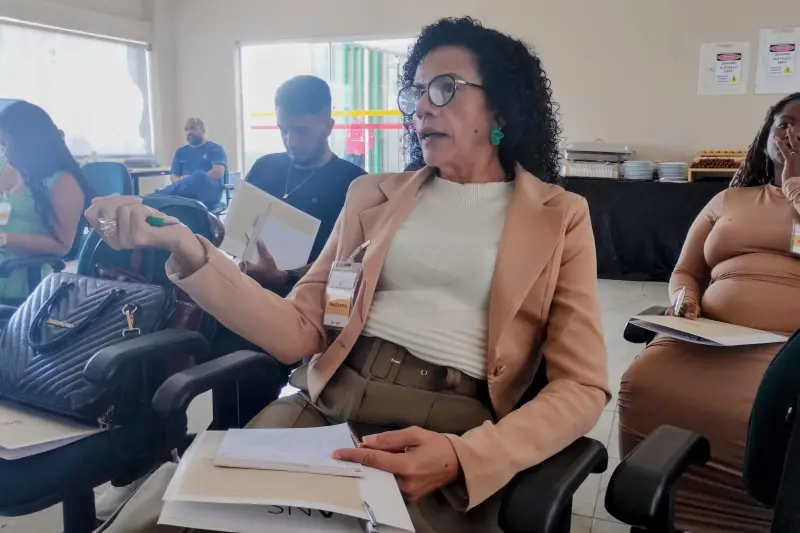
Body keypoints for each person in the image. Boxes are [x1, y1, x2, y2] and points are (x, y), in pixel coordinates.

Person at [88, 17, 609, 533]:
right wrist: (185, 245)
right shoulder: (371, 198)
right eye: (417, 92)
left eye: (444, 88)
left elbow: (581, 385)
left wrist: (467, 456)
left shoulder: (559, 216)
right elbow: (300, 330)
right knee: (171, 514)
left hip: (445, 433)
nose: (422, 107)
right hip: (325, 408)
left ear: (500, 107)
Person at [618, 92, 800, 533]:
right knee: (646, 377)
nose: (792, 134)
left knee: (777, 415)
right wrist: (686, 300)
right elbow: (686, 270)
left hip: (786, 355)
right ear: (766, 136)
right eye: (784, 123)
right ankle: (657, 510)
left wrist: (795, 183)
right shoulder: (729, 200)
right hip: (710, 336)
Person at [212, 75, 366, 428]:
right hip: (249, 290)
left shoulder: (353, 183)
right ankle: (225, 433)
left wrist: (287, 276)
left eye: (301, 131)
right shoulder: (267, 167)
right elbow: (236, 231)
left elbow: (351, 269)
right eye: (283, 130)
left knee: (250, 365)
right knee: (217, 356)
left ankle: (244, 436)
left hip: (309, 305)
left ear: (328, 126)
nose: (290, 140)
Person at [0, 101, 90, 302]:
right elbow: (4, 213)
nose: (5, 153)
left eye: (11, 145)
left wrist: (4, 239)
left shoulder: (63, 181)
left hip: (18, 273)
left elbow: (61, 246)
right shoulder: (7, 165)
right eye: (2, 145)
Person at [157, 118, 227, 205]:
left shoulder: (215, 149)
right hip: (186, 193)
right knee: (192, 179)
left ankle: (158, 195)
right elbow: (173, 177)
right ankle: (157, 198)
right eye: (186, 129)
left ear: (203, 130)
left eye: (192, 128)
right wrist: (182, 180)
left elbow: (217, 172)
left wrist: (191, 179)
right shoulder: (180, 152)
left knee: (200, 175)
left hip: (208, 192)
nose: (189, 132)